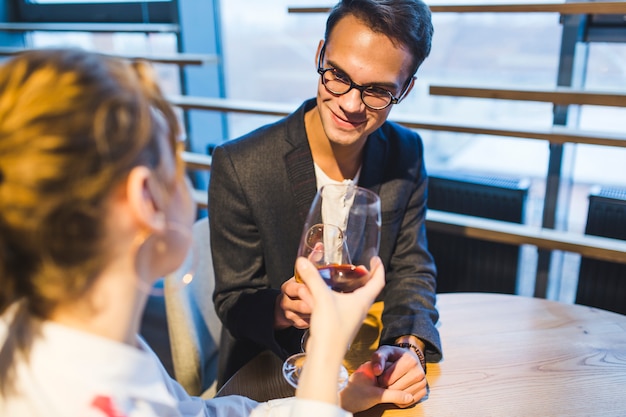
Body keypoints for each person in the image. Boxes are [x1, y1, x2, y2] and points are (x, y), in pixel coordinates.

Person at [0, 48, 385, 417]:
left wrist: (333, 401)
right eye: (178, 166)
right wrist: (327, 349)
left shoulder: (72, 339)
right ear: (146, 198)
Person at [209, 0, 443, 412]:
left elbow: (411, 267)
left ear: (404, 88)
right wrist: (282, 308)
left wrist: (408, 346)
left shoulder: (406, 152)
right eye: (338, 76)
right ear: (320, 56)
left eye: (377, 90)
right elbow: (234, 301)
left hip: (361, 365)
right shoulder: (242, 165)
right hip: (268, 373)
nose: (351, 105)